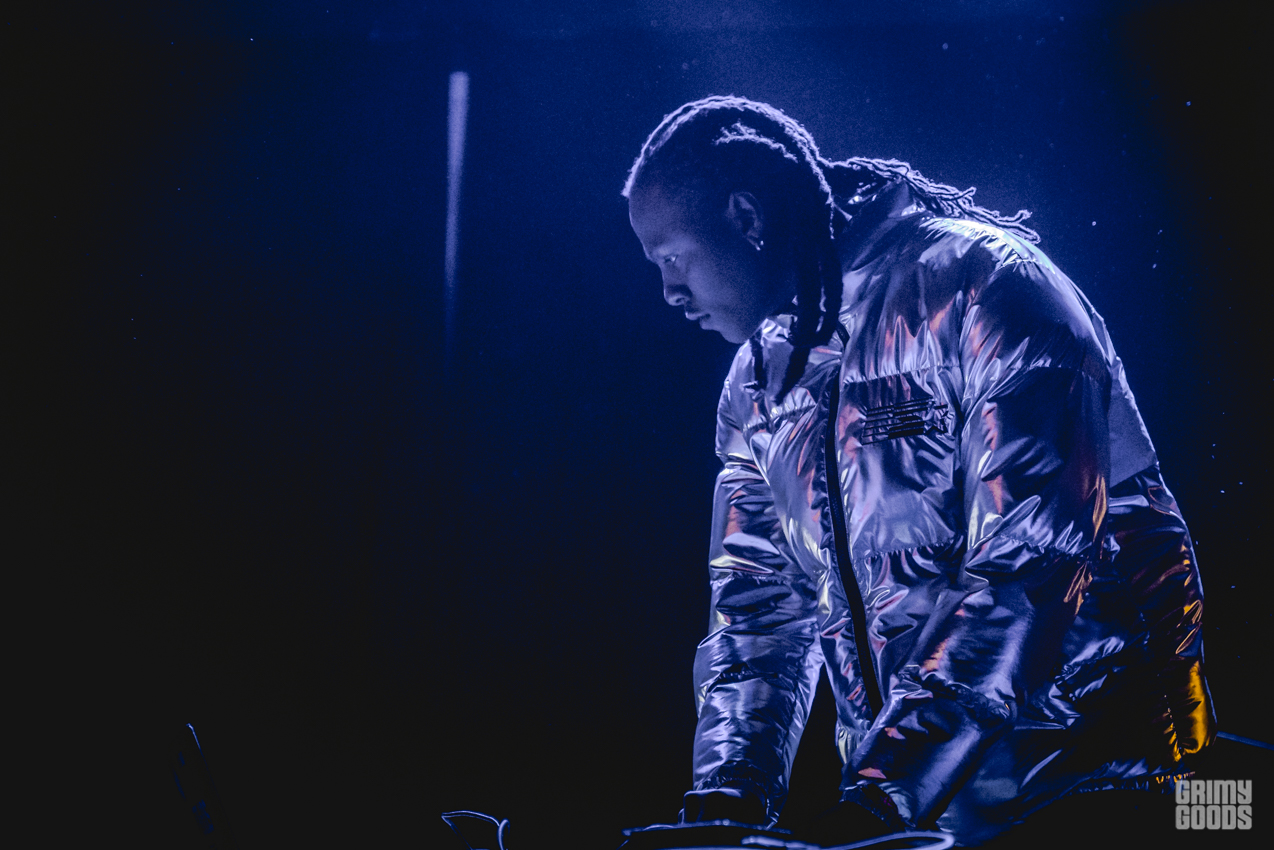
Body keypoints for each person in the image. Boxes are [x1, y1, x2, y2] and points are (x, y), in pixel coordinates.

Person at [621, 96, 1215, 847]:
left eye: (672, 258)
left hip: (1109, 789)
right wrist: (728, 797)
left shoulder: (991, 286)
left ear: (745, 217)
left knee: (1226, 815)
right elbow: (758, 609)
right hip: (921, 812)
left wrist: (886, 794)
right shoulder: (757, 383)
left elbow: (1031, 565)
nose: (669, 291)